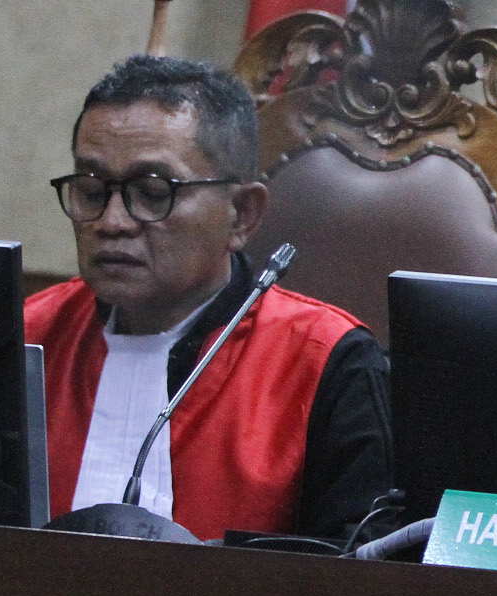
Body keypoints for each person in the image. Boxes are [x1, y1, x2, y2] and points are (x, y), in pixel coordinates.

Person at [24, 55, 392, 543]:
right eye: (92, 191)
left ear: (242, 214)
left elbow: (361, 569)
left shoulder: (328, 362)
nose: (112, 221)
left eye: (152, 191)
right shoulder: (22, 335)